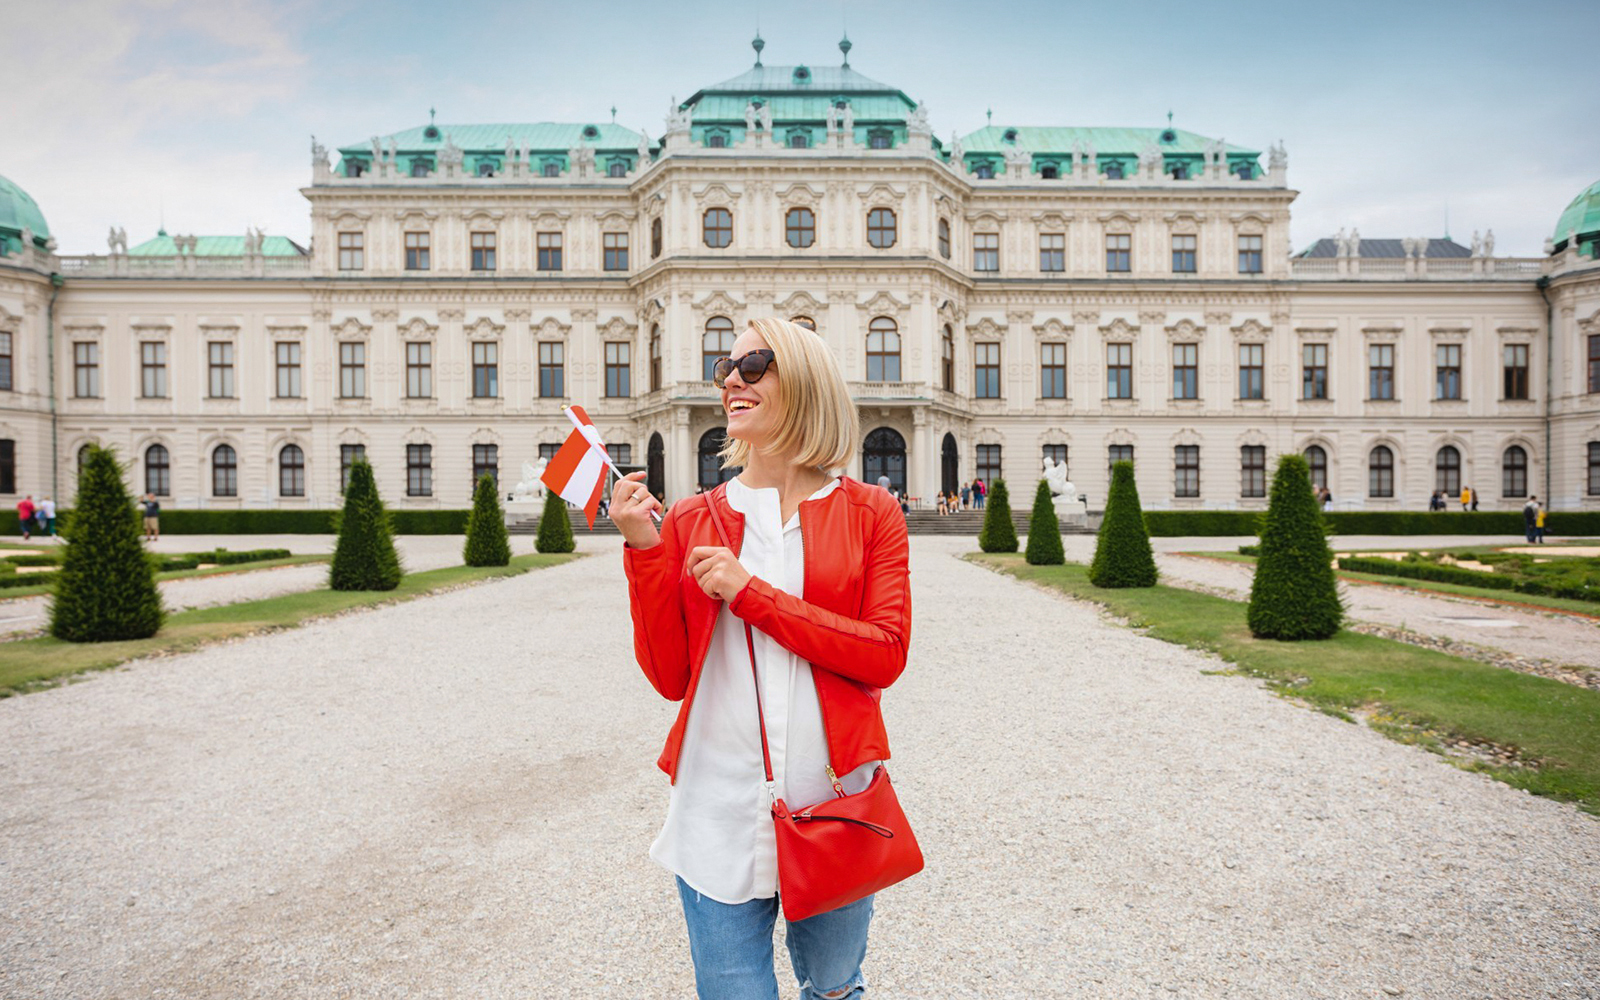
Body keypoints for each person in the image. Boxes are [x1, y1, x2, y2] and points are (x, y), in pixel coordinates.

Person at [611, 317, 912, 998]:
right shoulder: (691, 517)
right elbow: (669, 677)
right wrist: (643, 553)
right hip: (716, 804)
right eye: (726, 365)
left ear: (804, 381)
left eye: (755, 365)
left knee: (835, 984)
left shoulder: (871, 515)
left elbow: (884, 655)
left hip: (834, 797)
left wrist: (752, 594)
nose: (731, 380)